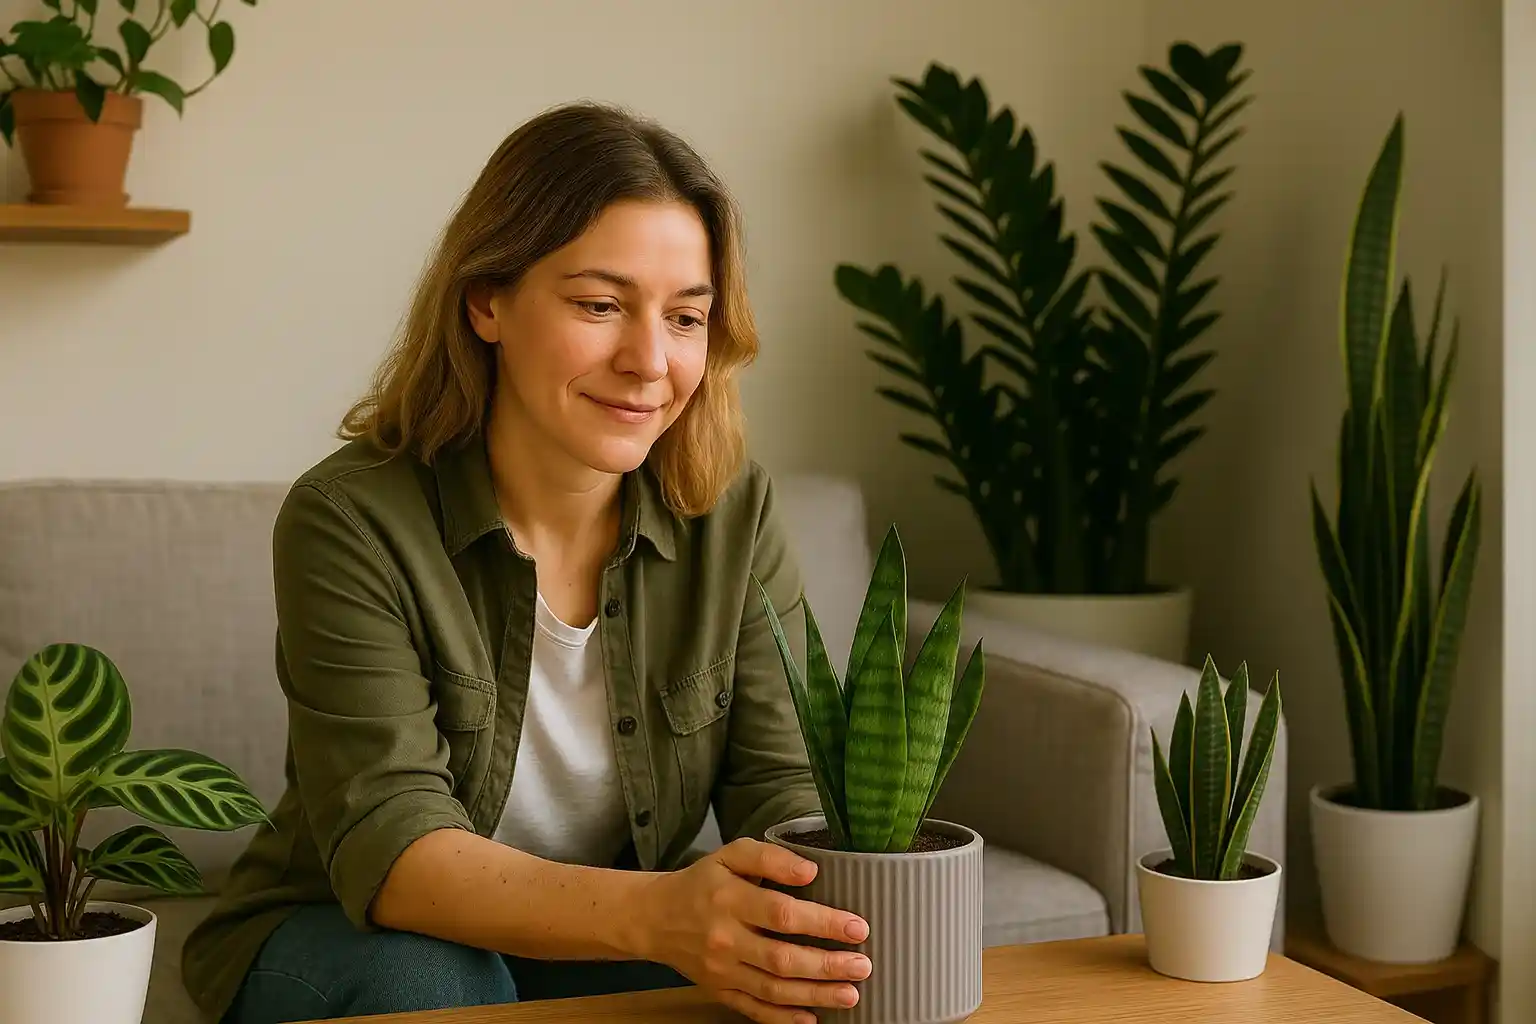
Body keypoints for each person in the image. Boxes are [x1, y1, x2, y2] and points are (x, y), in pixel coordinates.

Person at [180, 101, 874, 1024]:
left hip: (603, 937)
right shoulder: (347, 517)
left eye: (685, 317)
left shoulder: (733, 513)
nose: (649, 361)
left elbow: (785, 789)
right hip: (341, 932)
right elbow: (395, 845)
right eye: (600, 305)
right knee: (436, 983)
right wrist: (669, 914)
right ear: (487, 301)